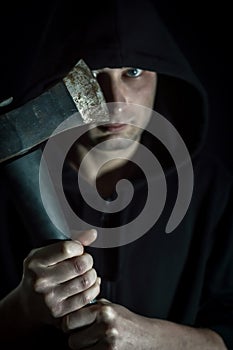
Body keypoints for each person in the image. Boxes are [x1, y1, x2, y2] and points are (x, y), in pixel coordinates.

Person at [0, 1, 232, 349]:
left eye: (134, 71)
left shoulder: (211, 189)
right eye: (93, 75)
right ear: (57, 81)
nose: (115, 99)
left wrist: (153, 340)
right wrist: (19, 310)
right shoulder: (3, 195)